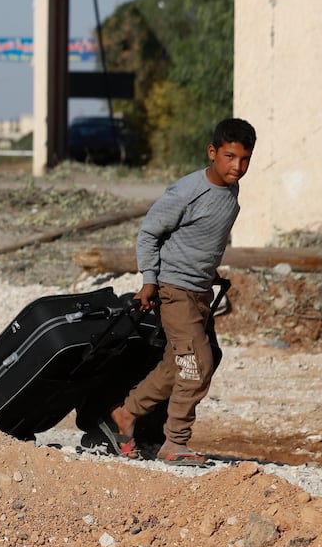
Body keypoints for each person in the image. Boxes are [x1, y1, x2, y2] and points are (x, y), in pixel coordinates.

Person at [99, 117, 257, 465]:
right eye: (230, 157)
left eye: (245, 159)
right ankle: (176, 444)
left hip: (199, 290)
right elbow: (149, 234)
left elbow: (199, 236)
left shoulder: (231, 190)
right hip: (174, 291)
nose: (237, 166)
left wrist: (209, 270)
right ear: (212, 152)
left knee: (177, 364)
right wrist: (149, 281)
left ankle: (126, 414)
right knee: (196, 366)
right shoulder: (187, 191)